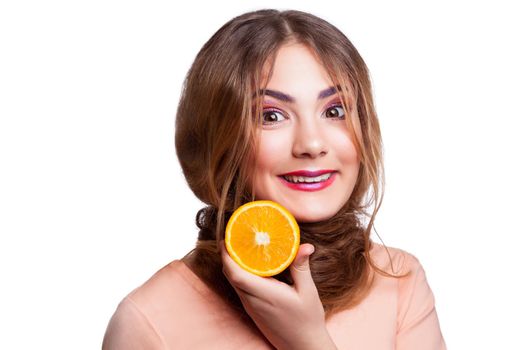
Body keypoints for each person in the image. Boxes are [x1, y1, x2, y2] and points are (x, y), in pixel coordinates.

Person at [102, 9, 446, 349]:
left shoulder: (399, 281)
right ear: (218, 137)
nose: (312, 143)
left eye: (334, 111)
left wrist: (308, 342)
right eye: (271, 115)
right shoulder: (149, 321)